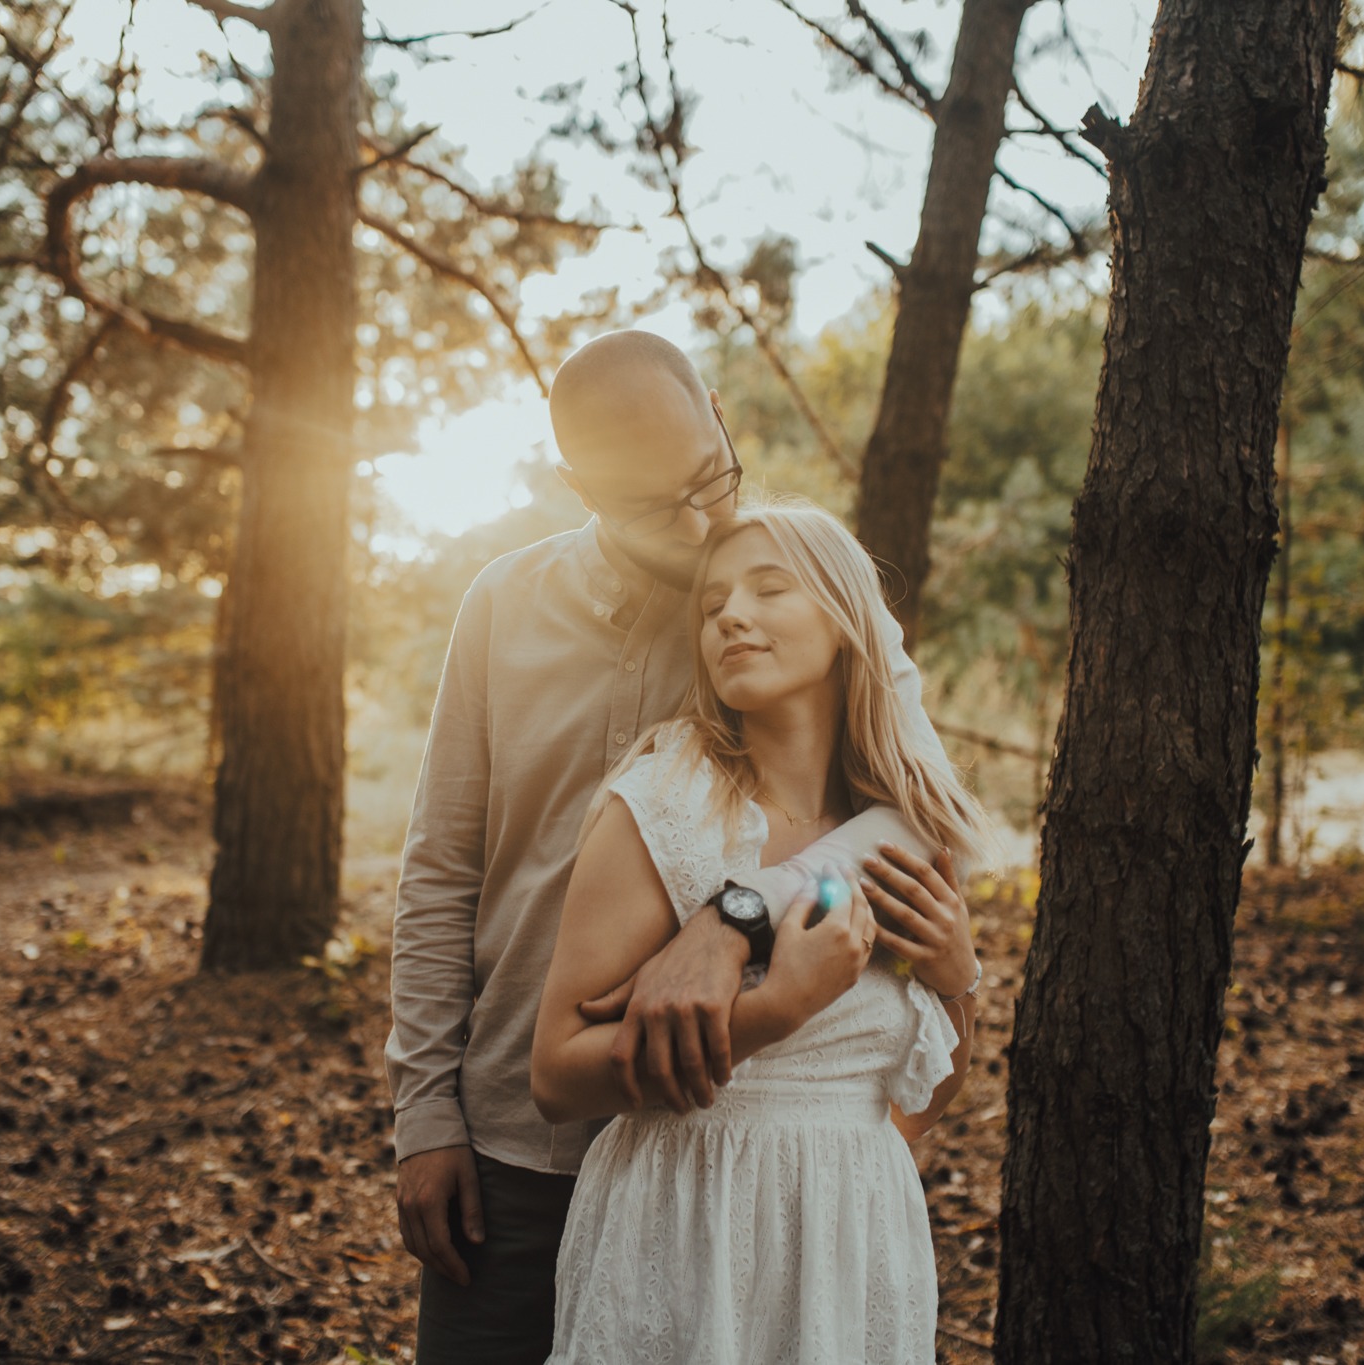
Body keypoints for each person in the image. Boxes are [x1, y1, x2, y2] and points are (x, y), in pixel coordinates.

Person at [385, 330, 949, 1364]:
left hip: (710, 1148)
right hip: (510, 1139)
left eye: (711, 478)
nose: (699, 525)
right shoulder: (499, 610)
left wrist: (737, 918)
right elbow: (441, 875)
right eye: (654, 507)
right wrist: (425, 1117)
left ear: (722, 413)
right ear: (577, 485)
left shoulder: (793, 596)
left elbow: (914, 819)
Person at [530, 502, 990, 1364]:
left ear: (848, 620)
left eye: (769, 588)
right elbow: (557, 1074)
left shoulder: (905, 828)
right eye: (712, 606)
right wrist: (770, 1012)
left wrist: (960, 975)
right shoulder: (665, 808)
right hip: (686, 1227)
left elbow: (919, 1102)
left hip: (855, 1241)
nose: (730, 615)